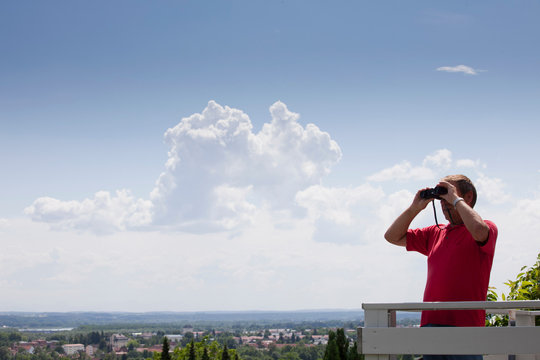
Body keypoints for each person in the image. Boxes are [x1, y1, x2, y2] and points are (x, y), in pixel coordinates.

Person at [384, 174, 497, 360]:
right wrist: (415, 208)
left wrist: (454, 199)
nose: (443, 202)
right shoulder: (435, 233)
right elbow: (392, 236)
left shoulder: (487, 227)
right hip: (431, 324)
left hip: (466, 327)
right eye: (441, 197)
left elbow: (478, 231)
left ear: (467, 197)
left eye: (447, 194)